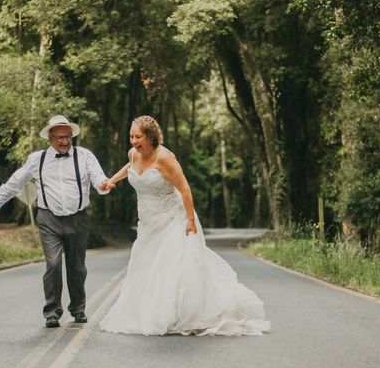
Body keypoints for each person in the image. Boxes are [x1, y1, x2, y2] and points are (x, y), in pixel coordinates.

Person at [99, 115, 271, 336]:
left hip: (172, 217)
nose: (133, 141)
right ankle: (149, 311)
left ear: (150, 136)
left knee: (172, 265)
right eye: (131, 136)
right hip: (148, 221)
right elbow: (129, 167)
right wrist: (112, 180)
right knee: (147, 264)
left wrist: (190, 220)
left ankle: (176, 314)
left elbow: (185, 189)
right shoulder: (133, 154)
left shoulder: (165, 158)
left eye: (138, 136)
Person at [0, 115, 110, 328]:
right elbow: (14, 183)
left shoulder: (84, 156)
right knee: (54, 264)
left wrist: (103, 186)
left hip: (78, 219)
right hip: (49, 219)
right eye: (60, 138)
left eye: (68, 137)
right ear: (50, 138)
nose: (65, 142)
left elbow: (98, 179)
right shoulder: (37, 159)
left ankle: (78, 308)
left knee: (77, 266)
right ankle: (52, 312)